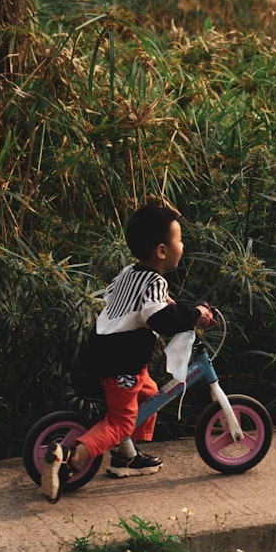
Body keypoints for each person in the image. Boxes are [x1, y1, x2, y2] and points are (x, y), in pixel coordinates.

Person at [41, 202, 214, 503]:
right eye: (179, 240)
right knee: (121, 421)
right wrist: (193, 313)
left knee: (149, 394)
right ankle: (70, 456)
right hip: (119, 360)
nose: (182, 245)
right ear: (162, 250)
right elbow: (159, 318)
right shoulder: (156, 281)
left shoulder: (130, 272)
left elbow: (116, 296)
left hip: (109, 351)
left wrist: (167, 302)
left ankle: (127, 457)